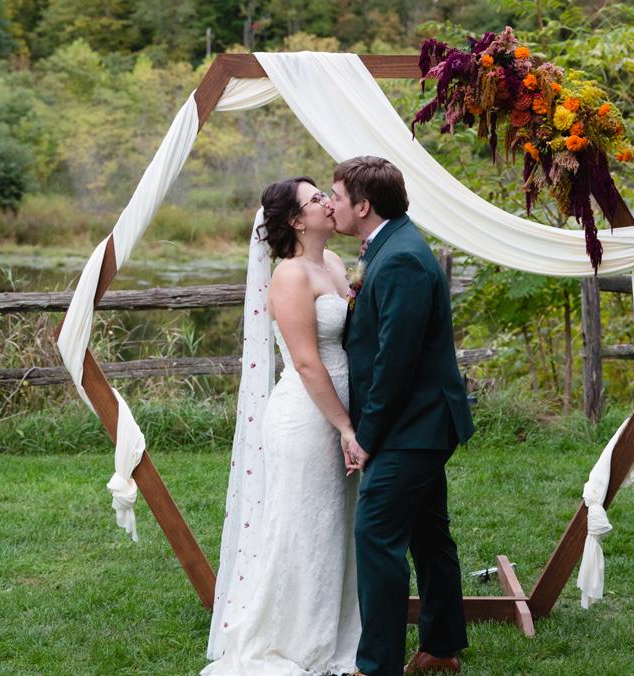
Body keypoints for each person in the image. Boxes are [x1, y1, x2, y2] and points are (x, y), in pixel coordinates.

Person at [203, 176, 361, 675]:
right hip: (307, 418)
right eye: (316, 199)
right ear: (296, 221)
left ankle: (340, 631)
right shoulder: (290, 276)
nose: (328, 202)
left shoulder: (334, 263)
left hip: (340, 409)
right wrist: (346, 428)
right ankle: (294, 638)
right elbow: (307, 363)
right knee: (304, 525)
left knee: (337, 524)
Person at [330, 156, 474, 676]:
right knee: (428, 533)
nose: (331, 204)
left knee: (376, 535)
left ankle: (376, 666)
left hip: (415, 424)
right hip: (417, 421)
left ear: (363, 206)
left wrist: (366, 436)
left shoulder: (401, 259)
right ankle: (441, 648)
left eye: (337, 197)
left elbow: (397, 361)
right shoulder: (389, 247)